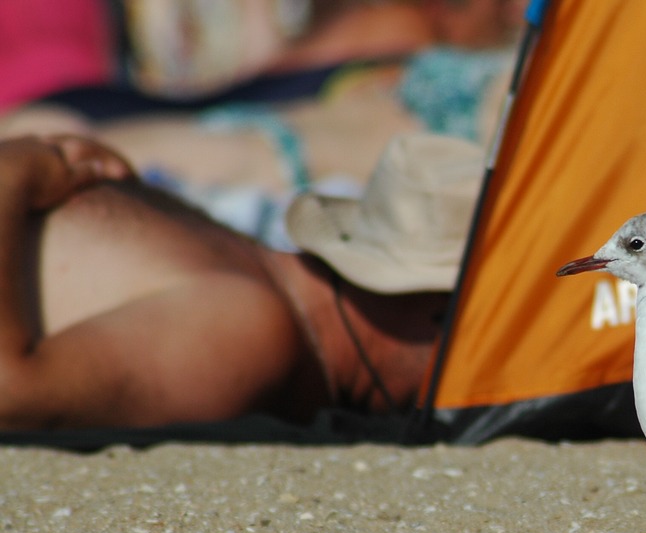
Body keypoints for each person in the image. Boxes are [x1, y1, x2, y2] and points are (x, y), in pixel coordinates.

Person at [0, 130, 480, 430]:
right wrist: (9, 171)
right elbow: (10, 395)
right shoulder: (246, 329)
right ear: (436, 314)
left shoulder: (242, 270)